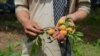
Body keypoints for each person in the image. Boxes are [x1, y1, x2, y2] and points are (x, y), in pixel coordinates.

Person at [15, 0, 90, 56]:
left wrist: (71, 18)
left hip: (65, 43)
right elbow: (21, 6)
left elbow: (84, 7)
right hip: (36, 42)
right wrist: (26, 21)